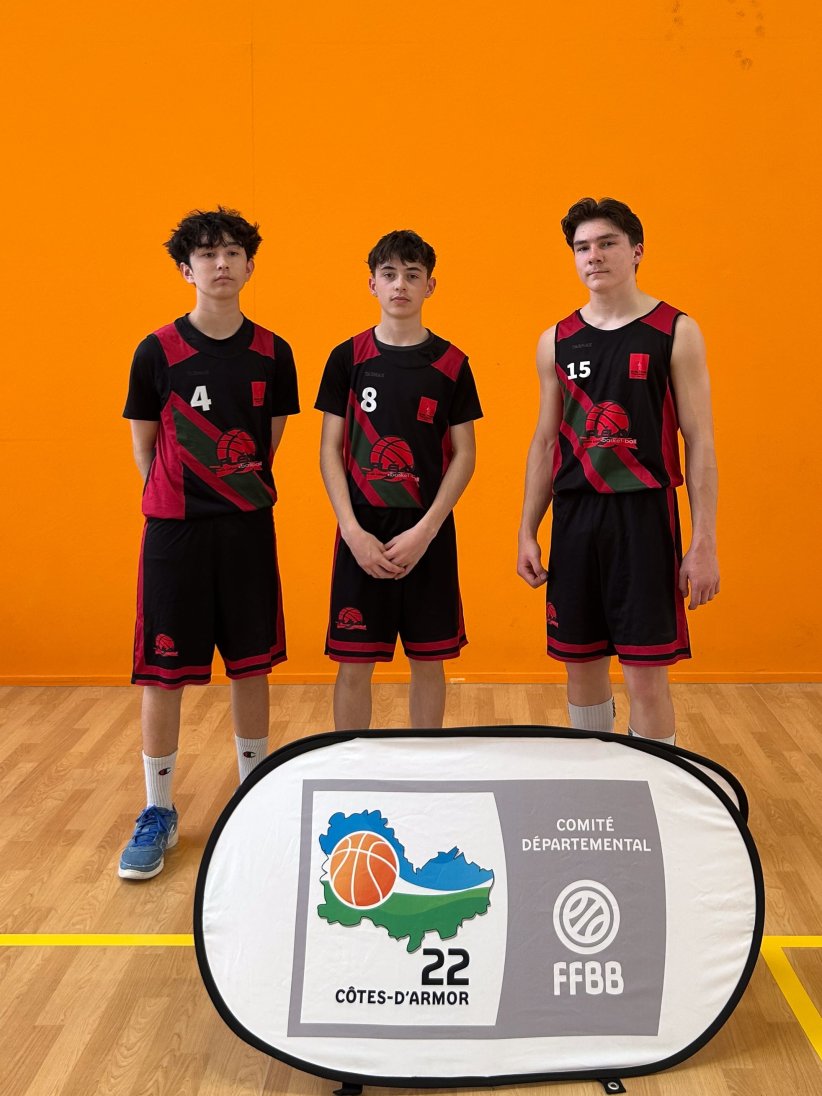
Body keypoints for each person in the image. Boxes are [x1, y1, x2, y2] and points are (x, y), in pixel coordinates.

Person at [119, 207, 299, 879]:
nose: (221, 264)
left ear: (250, 265)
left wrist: (230, 491)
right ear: (185, 269)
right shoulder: (156, 350)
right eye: (206, 254)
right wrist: (181, 499)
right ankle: (158, 809)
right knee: (163, 672)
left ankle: (254, 796)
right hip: (175, 535)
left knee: (251, 665)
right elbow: (145, 447)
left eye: (232, 253)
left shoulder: (274, 352)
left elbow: (270, 439)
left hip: (247, 528)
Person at [517, 197, 719, 745]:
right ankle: (594, 778)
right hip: (576, 517)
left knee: (645, 677)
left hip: (645, 515)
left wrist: (703, 542)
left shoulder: (674, 330)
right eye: (582, 247)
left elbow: (699, 441)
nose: (594, 256)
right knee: (580, 666)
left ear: (636, 251)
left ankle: (656, 786)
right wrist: (527, 530)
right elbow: (544, 441)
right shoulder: (555, 340)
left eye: (607, 243)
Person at [315, 230, 482, 730]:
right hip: (362, 530)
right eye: (389, 274)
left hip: (427, 531)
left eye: (412, 275)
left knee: (429, 662)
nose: (400, 285)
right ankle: (352, 763)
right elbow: (329, 449)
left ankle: (424, 763)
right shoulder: (347, 357)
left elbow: (465, 455)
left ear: (430, 285)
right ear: (372, 284)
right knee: (353, 665)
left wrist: (426, 530)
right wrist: (351, 531)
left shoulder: (452, 363)